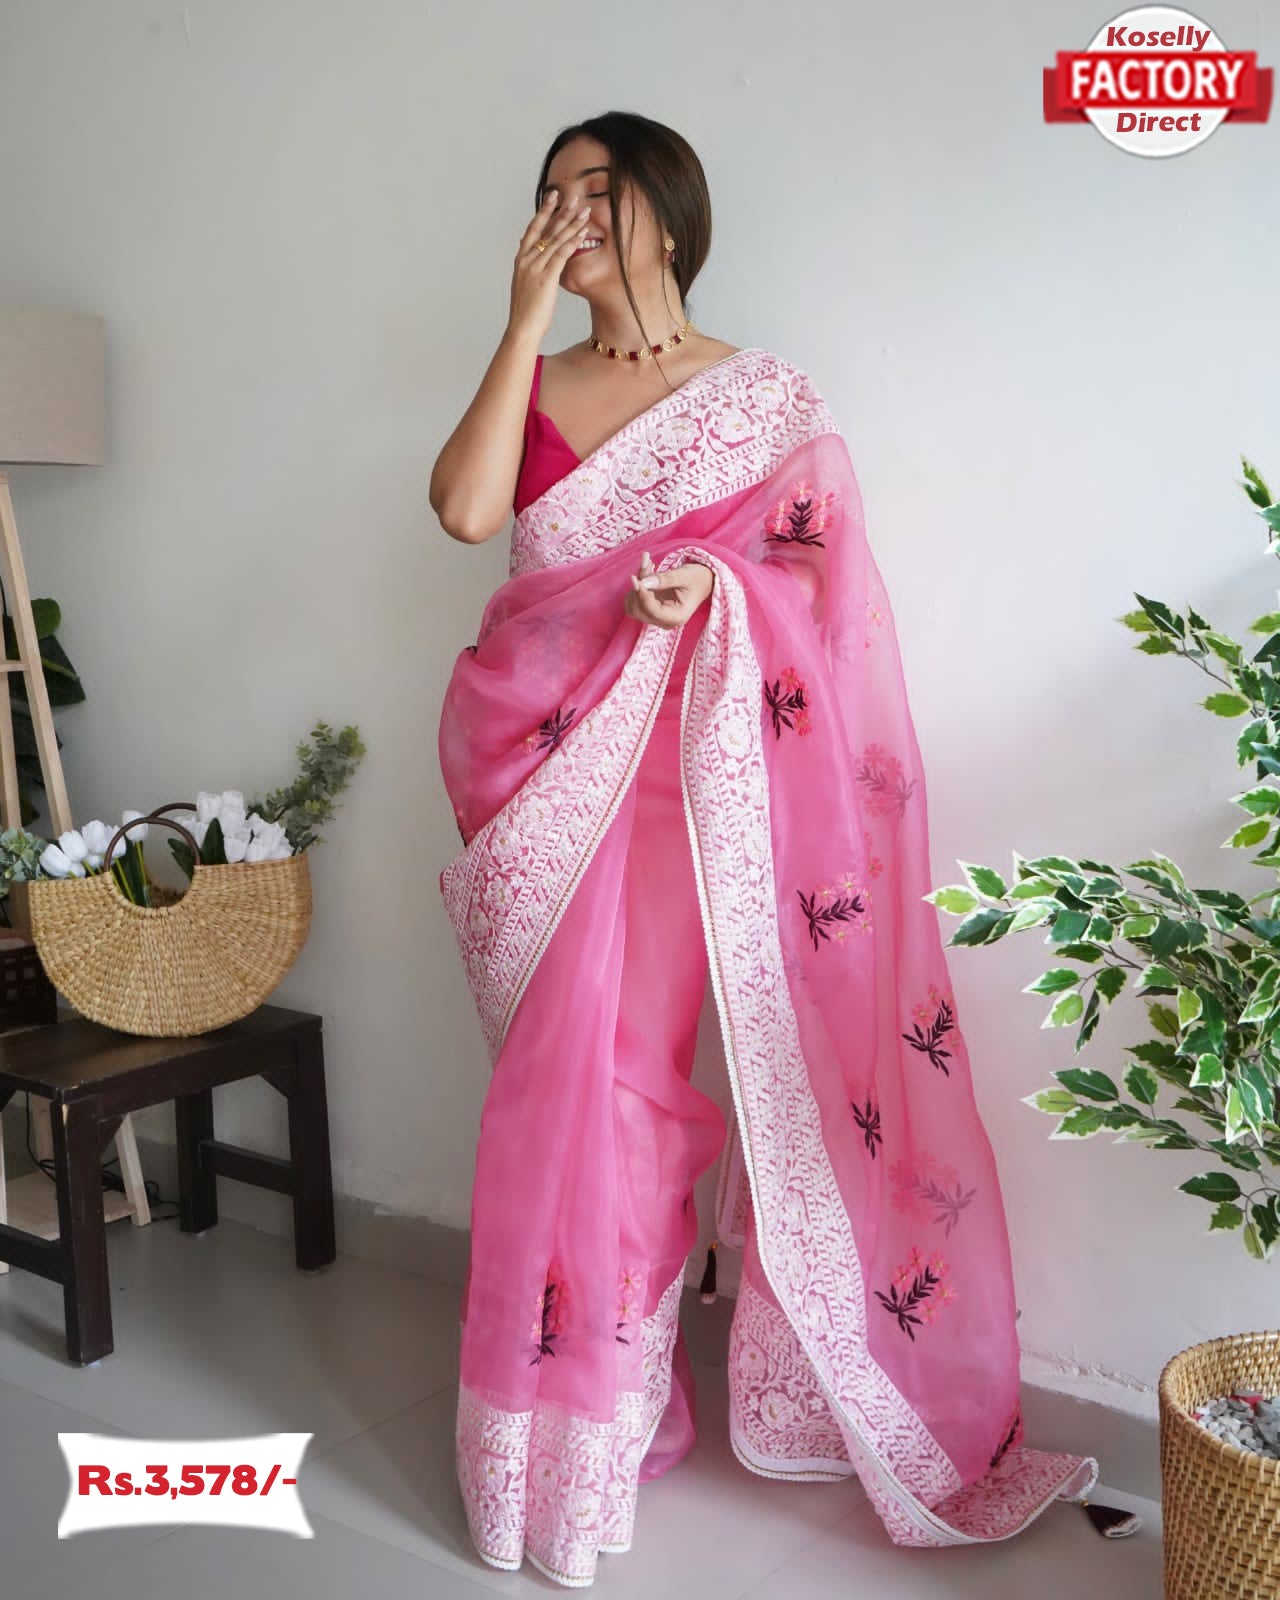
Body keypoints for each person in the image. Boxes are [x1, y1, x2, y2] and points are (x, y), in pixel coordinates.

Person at [430, 111, 1107, 1590]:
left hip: (687, 792)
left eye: (598, 189)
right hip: (543, 780)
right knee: (555, 1094)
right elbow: (469, 513)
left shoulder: (762, 403)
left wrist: (716, 595)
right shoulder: (535, 377)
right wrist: (518, 324)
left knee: (623, 1097)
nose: (569, 211)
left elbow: (824, 599)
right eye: (548, 194)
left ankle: (594, 1428)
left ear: (670, 213)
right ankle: (557, 1428)